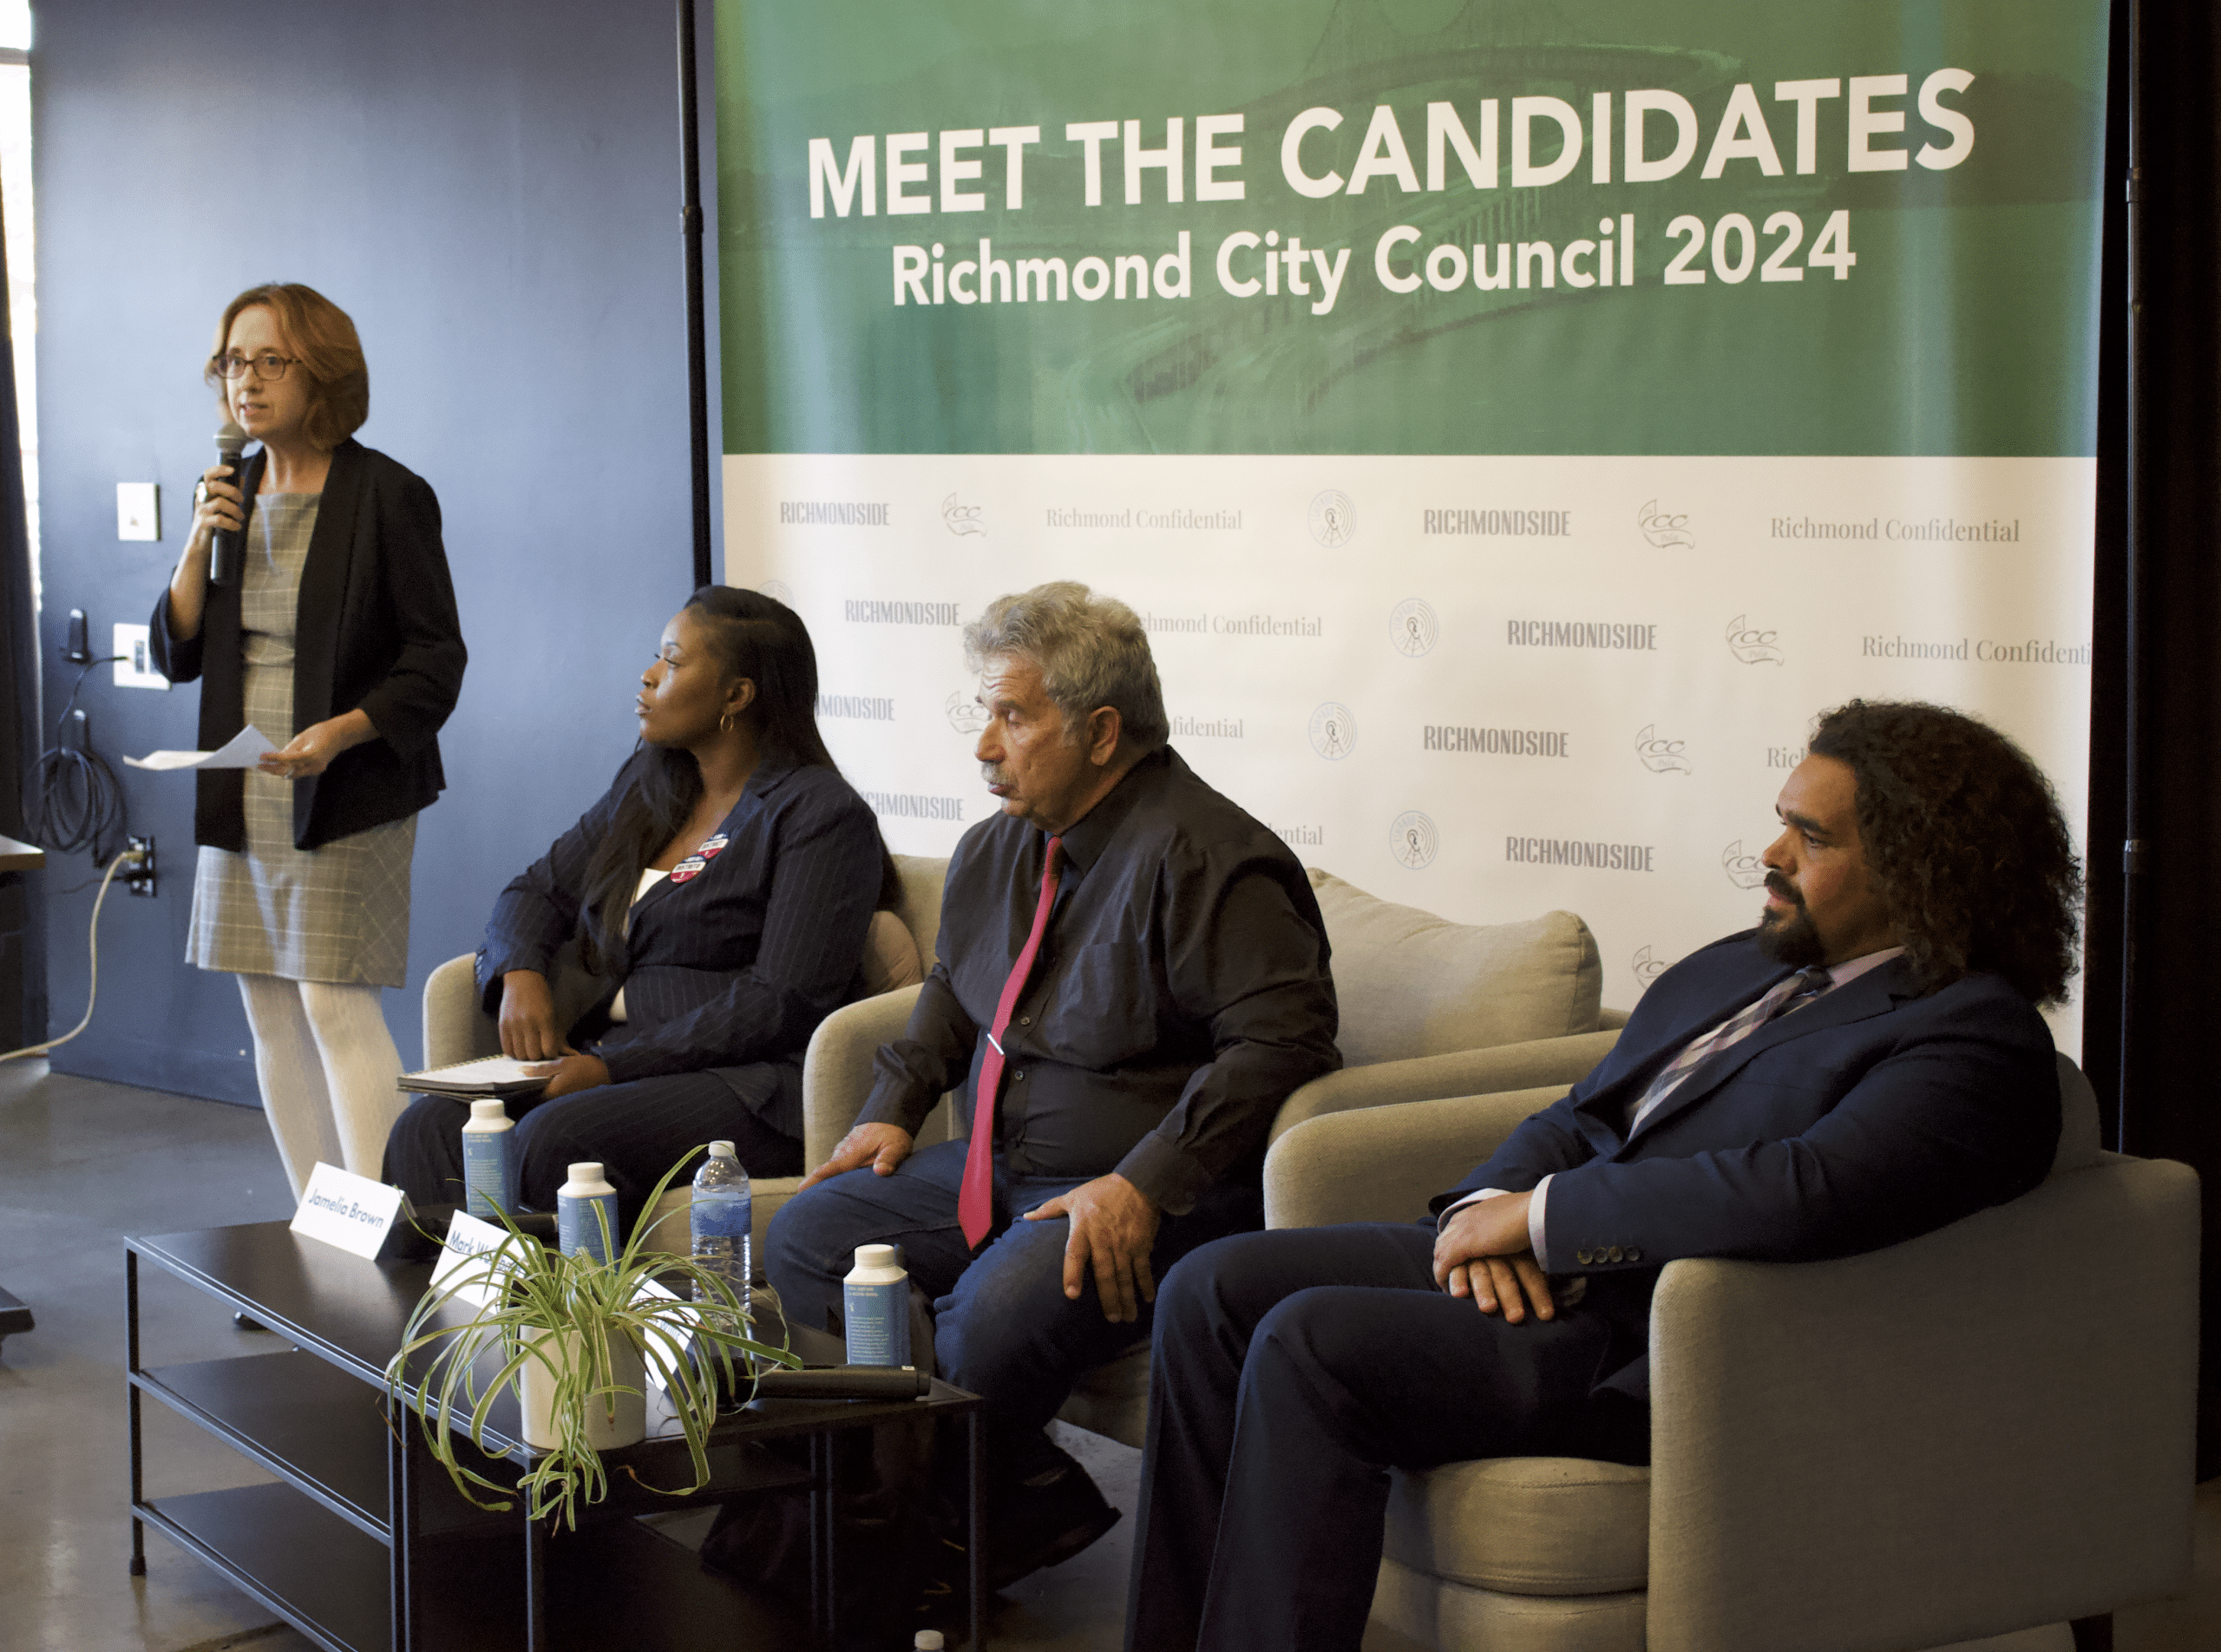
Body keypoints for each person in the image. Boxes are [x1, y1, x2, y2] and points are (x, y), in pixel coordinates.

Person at [1124, 699, 2082, 1652]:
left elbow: (1807, 1186)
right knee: (1210, 1285)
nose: (1772, 852)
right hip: (1561, 1281)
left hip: (1661, 1339)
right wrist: (1483, 1206)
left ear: (1922, 871)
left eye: (1811, 835)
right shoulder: (1741, 964)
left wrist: (1547, 1222)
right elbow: (1583, 1109)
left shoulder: (1970, 1036)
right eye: (1783, 818)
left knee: (1310, 1339)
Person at [763, 581, 1341, 1589]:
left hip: (1139, 1195)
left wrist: (1143, 1181)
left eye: (1012, 715)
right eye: (987, 713)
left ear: (1102, 730)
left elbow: (1279, 1045)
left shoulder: (1211, 858)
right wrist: (890, 1110)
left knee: (989, 1318)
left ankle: (912, 1532)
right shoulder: (1000, 846)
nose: (984, 744)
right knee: (809, 1234)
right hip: (997, 1162)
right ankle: (1008, 1495)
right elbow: (955, 986)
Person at [383, 586, 899, 1227]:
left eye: (673, 661)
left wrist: (610, 1067)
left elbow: (780, 1000)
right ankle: (461, 1322)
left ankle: (563, 1327)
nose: (649, 675)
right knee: (428, 1129)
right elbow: (536, 890)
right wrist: (520, 973)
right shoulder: (652, 785)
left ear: (738, 695)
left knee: (559, 1142)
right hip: (622, 1058)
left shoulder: (819, 814)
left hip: (748, 1083)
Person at [152, 283, 466, 1198]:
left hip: (346, 775)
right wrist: (192, 543)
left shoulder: (388, 494)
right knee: (266, 1004)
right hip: (244, 773)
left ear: (321, 371)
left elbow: (435, 659)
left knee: (332, 998)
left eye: (268, 361)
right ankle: (317, 1219)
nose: (244, 381)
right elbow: (176, 647)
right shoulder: (232, 489)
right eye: (233, 362)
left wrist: (343, 731)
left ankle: (379, 1228)